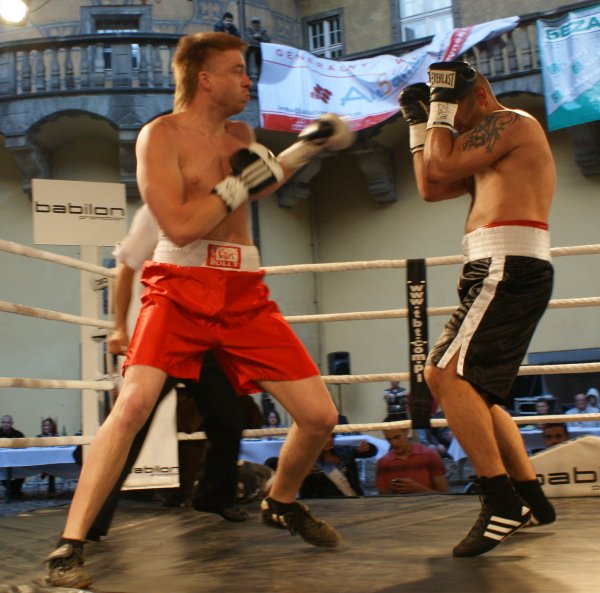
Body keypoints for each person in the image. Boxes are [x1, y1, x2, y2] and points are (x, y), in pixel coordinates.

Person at [45, 31, 355, 588]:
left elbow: (256, 186)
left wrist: (306, 147)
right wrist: (243, 181)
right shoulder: (160, 136)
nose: (247, 81)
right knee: (133, 405)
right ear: (205, 79)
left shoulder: (240, 134)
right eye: (237, 70)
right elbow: (182, 225)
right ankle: (70, 546)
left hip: (243, 290)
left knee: (319, 417)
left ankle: (281, 502)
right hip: (179, 287)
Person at [399, 60, 556, 557]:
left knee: (442, 373)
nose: (454, 127)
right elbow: (431, 187)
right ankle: (529, 496)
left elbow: (439, 167)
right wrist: (420, 125)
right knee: (476, 394)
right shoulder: (483, 146)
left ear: (480, 97)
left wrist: (439, 109)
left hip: (507, 263)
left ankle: (500, 500)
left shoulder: (512, 122)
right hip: (493, 265)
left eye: (456, 111)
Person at [299, 434, 378, 498]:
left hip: (352, 501)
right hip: (323, 506)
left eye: (330, 436)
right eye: (322, 437)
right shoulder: (306, 461)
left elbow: (370, 453)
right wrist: (303, 474)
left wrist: (368, 447)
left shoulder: (344, 450)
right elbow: (304, 493)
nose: (327, 440)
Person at [376, 426, 448, 495]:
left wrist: (417, 489)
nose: (393, 443)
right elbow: (383, 497)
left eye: (397, 437)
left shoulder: (429, 455)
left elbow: (445, 495)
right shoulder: (384, 462)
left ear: (407, 432)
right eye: (389, 439)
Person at [0, 415, 25, 499]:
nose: (6, 424)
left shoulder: (18, 434)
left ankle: (13, 490)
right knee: (2, 472)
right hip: (1, 461)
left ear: (12, 423)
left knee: (25, 469)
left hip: (17, 461)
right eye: (4, 422)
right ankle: (14, 491)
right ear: (1, 423)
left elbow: (24, 446)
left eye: (8, 422)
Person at [37, 418, 60, 495]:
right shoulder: (39, 437)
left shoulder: (56, 437)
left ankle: (45, 472)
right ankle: (51, 491)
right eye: (44, 425)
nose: (45, 427)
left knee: (52, 466)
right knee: (51, 467)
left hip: (54, 461)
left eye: (48, 425)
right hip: (41, 461)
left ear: (52, 427)